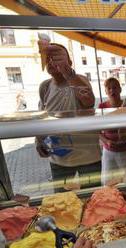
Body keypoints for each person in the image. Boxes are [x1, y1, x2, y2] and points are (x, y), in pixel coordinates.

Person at [35, 43, 101, 187]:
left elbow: (89, 101)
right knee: (61, 201)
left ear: (69, 62)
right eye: (48, 59)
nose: (51, 62)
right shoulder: (45, 86)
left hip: (88, 158)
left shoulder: (79, 80)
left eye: (57, 58)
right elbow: (42, 116)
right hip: (58, 159)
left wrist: (68, 73)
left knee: (93, 198)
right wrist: (38, 140)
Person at [98, 78, 126, 185]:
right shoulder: (102, 107)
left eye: (115, 87)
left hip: (125, 150)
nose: (112, 90)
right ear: (105, 91)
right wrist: (106, 141)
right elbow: (98, 130)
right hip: (108, 150)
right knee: (107, 181)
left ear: (120, 89)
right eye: (109, 88)